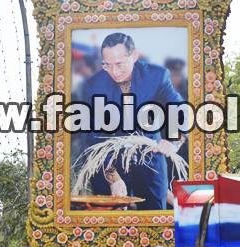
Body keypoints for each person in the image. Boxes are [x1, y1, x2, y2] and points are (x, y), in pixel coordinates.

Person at [78, 33, 187, 210]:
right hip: (109, 161)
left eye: (120, 64)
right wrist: (112, 177)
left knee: (156, 217)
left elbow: (179, 110)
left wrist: (174, 141)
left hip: (151, 157)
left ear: (134, 56)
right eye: (107, 65)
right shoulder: (93, 86)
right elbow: (92, 137)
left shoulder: (157, 76)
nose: (114, 71)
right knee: (112, 224)